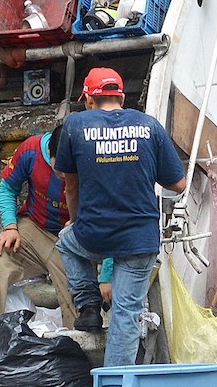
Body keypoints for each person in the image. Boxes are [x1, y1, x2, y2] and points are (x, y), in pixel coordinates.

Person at [54, 67, 187, 366]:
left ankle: (88, 306)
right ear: (122, 97)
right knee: (126, 314)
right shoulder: (149, 126)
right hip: (140, 239)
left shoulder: (75, 126)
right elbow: (178, 184)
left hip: (94, 234)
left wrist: (76, 223)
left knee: (65, 241)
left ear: (89, 100)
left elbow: (71, 187)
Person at [0, 125, 113, 328]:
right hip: (35, 229)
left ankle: (77, 349)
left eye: (71, 172)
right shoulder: (31, 150)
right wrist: (10, 227)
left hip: (75, 239)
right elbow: (7, 188)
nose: (67, 179)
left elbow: (113, 219)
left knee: (80, 307)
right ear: (50, 154)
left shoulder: (97, 161)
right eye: (61, 172)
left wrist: (107, 274)